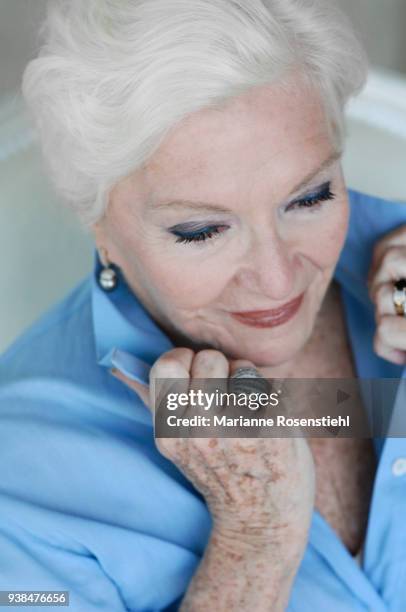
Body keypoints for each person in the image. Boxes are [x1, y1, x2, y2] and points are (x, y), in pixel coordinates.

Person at [1, 1, 406, 610]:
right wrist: (255, 543)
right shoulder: (19, 471)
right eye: (200, 232)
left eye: (311, 196)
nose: (276, 280)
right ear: (99, 227)